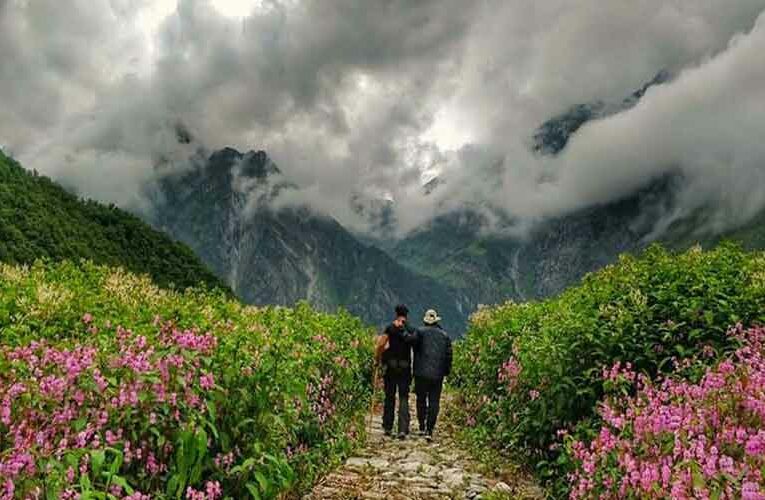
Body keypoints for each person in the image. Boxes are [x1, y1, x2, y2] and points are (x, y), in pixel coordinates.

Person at [409, 309, 452, 441]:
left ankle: (422, 425)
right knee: (434, 401)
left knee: (421, 399)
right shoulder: (445, 336)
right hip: (437, 375)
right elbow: (449, 356)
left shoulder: (419, 332)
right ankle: (430, 429)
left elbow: (412, 345)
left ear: (425, 321)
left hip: (420, 373)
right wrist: (446, 371)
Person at [378, 304, 415, 439]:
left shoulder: (390, 327)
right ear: (406, 315)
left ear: (396, 313)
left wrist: (378, 358)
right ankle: (402, 429)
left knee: (390, 396)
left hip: (391, 367)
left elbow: (381, 344)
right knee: (404, 397)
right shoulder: (410, 329)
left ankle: (388, 426)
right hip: (405, 368)